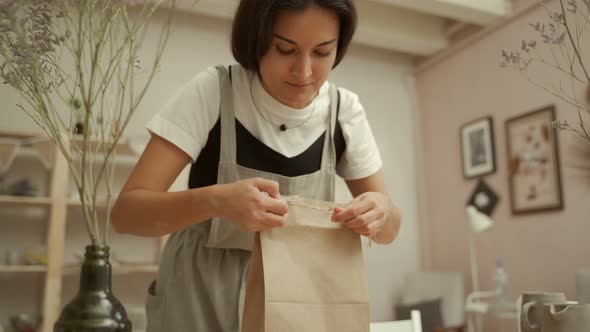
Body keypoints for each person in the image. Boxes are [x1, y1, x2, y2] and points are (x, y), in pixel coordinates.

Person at [111, 0, 402, 331]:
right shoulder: (214, 92)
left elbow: (389, 230)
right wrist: (216, 201)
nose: (304, 71)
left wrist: (380, 210)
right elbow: (126, 214)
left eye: (322, 53)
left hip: (298, 295)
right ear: (256, 39)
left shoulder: (344, 110)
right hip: (197, 292)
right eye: (284, 49)